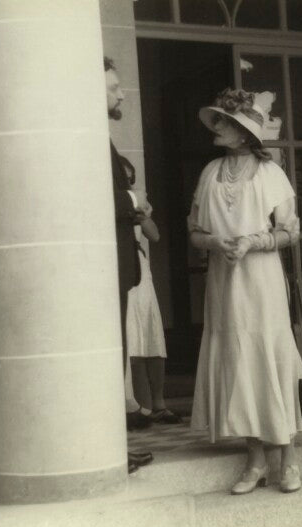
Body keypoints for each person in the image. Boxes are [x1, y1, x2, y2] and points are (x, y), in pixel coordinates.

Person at [187, 88, 302, 495]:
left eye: (224, 122)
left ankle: (288, 460)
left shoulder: (270, 174)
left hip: (260, 279)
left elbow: (289, 232)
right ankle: (255, 460)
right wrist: (215, 244)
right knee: (236, 359)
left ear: (245, 133)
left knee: (268, 356)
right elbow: (194, 231)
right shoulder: (210, 172)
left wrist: (251, 243)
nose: (217, 126)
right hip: (224, 282)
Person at [105, 56, 153, 473]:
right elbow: (96, 195)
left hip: (114, 269)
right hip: (102, 271)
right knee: (106, 362)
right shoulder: (87, 138)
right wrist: (137, 203)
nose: (122, 92)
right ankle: (108, 453)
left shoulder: (101, 137)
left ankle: (113, 449)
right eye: (113, 86)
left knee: (114, 359)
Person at [120, 157, 181, 424]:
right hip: (120, 267)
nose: (128, 182)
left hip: (140, 269)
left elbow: (154, 235)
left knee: (151, 332)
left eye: (130, 178)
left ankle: (158, 403)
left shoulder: (139, 203)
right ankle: (140, 405)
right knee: (131, 335)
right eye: (123, 177)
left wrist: (142, 216)